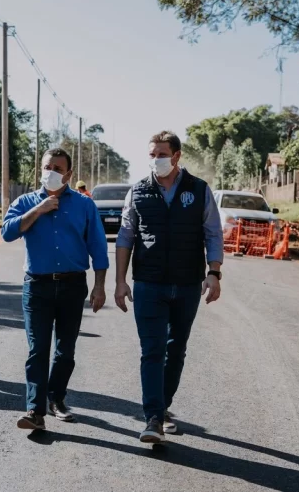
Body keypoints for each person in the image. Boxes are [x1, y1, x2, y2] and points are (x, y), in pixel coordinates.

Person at [114, 131, 223, 444]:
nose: (155, 159)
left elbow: (213, 234)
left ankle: (162, 408)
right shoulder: (138, 192)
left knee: (176, 350)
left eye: (161, 154)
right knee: (152, 351)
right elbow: (125, 238)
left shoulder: (199, 190)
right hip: (148, 284)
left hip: (188, 284)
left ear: (176, 156)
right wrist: (121, 281)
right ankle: (152, 418)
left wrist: (214, 273)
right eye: (151, 154)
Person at [2, 148, 109, 430]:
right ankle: (34, 411)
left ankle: (56, 399)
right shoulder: (26, 201)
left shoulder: (84, 205)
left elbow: (98, 246)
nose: (51, 172)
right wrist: (38, 210)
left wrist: (99, 286)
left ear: (69, 174)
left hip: (73, 285)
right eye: (47, 166)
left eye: (58, 168)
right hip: (37, 286)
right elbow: (7, 232)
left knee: (65, 351)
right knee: (37, 349)